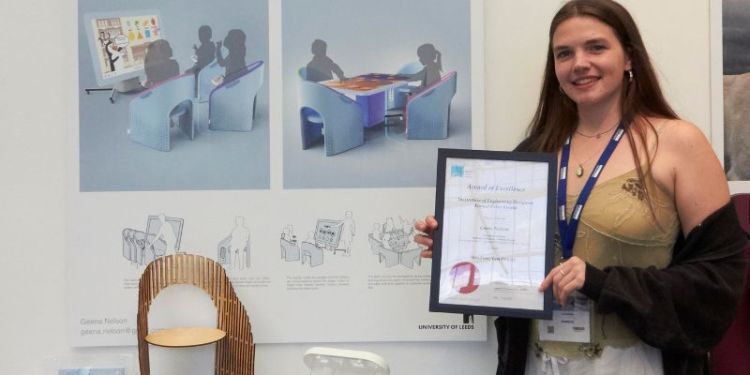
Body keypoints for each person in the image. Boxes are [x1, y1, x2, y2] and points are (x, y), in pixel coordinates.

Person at [414, 1, 747, 374]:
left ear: (629, 58)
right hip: (539, 362)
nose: (579, 63)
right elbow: (510, 269)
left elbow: (720, 278)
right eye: (564, 53)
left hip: (633, 363)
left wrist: (602, 283)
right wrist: (459, 245)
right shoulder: (535, 153)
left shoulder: (677, 143)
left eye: (596, 47)